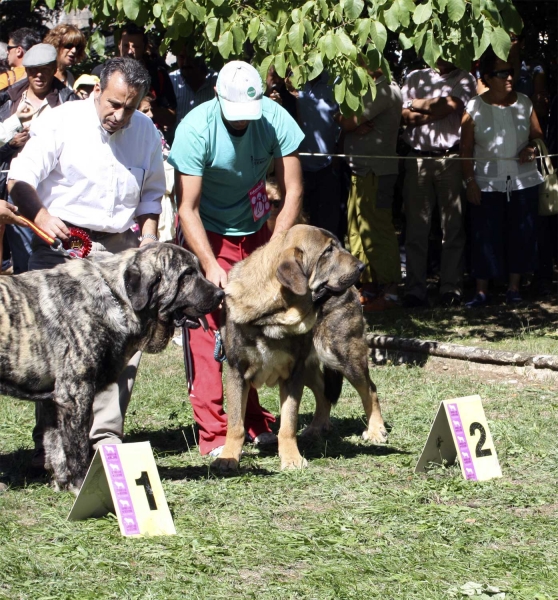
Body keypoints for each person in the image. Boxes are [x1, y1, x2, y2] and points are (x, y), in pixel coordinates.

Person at [7, 57, 166, 466]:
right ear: (97, 91)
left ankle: (105, 440)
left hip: (118, 251)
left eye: (130, 107)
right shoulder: (62, 121)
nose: (120, 115)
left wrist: (148, 239)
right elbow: (19, 179)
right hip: (60, 247)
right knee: (53, 349)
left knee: (120, 347)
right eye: (113, 104)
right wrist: (41, 216)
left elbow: (151, 197)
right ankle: (51, 444)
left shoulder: (145, 132)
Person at [168, 60, 304, 457]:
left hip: (256, 227)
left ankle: (253, 418)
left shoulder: (275, 119)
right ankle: (214, 432)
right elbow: (186, 208)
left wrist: (275, 244)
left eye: (249, 115)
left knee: (257, 323)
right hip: (205, 230)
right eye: (234, 116)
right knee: (210, 329)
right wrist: (210, 265)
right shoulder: (195, 129)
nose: (242, 123)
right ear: (217, 97)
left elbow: (292, 190)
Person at [461, 49, 544, 307]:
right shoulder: (474, 106)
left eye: (510, 71)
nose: (509, 77)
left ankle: (514, 289)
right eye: (501, 73)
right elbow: (465, 150)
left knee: (519, 234)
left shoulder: (524, 102)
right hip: (486, 183)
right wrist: (470, 182)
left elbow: (537, 136)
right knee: (484, 235)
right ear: (486, 77)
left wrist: (531, 148)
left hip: (523, 182)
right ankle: (482, 292)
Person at [401, 58, 477, 308]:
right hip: (418, 160)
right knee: (416, 228)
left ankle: (451, 289)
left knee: (452, 228)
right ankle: (415, 290)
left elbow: (451, 105)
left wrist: (416, 105)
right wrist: (436, 109)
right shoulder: (414, 76)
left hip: (451, 159)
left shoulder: (465, 77)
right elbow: (403, 116)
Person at [0, 43, 78, 274]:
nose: (38, 75)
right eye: (33, 69)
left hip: (49, 192)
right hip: (12, 187)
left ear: (54, 68)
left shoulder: (68, 103)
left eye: (44, 69)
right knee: (17, 258)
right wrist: (11, 145)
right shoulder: (8, 100)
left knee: (44, 259)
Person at [337, 67, 403, 311]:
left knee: (378, 231)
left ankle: (391, 292)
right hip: (360, 171)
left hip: (377, 173)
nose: (357, 65)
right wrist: (345, 121)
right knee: (356, 230)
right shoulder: (364, 90)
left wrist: (347, 122)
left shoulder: (384, 90)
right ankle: (369, 287)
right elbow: (343, 119)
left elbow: (346, 120)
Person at [297, 71, 343, 238]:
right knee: (302, 227)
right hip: (298, 167)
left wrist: (339, 152)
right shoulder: (294, 79)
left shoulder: (335, 82)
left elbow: (343, 120)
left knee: (327, 228)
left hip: (328, 167)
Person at [118, 23, 177, 136]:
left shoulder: (157, 74)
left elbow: (171, 118)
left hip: (148, 138)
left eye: (135, 47)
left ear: (145, 48)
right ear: (119, 45)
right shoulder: (107, 73)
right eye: (126, 46)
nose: (130, 51)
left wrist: (152, 109)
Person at [169, 45, 217, 126]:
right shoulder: (171, 81)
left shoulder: (216, 81)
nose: (186, 62)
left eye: (191, 57)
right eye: (181, 57)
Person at [43, 24, 87, 89]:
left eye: (77, 47)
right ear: (56, 45)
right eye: (69, 46)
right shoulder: (43, 73)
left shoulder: (70, 77)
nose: (74, 50)